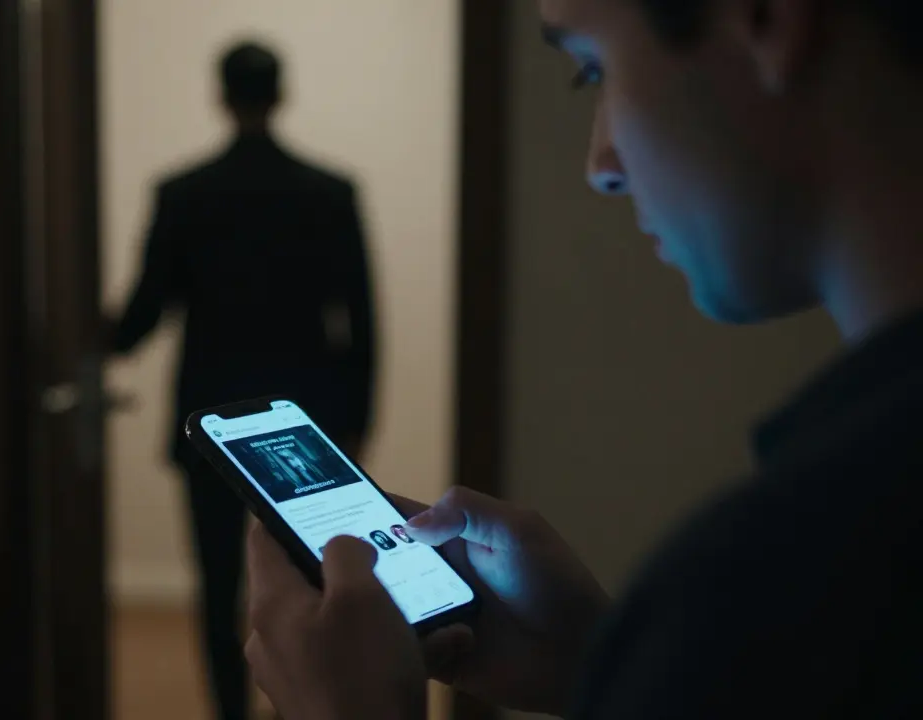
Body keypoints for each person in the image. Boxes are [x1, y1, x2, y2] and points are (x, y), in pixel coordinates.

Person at [243, 0, 923, 718]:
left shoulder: (808, 580)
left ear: (765, 17)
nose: (601, 167)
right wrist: (605, 666)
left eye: (592, 69)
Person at [108, 40, 376, 720]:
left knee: (218, 581)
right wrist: (356, 423)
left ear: (221, 97)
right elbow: (361, 323)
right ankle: (303, 706)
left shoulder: (185, 194)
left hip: (211, 419)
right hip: (304, 423)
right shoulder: (329, 194)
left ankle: (230, 712)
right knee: (311, 581)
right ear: (279, 94)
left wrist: (73, 336)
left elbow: (142, 315)